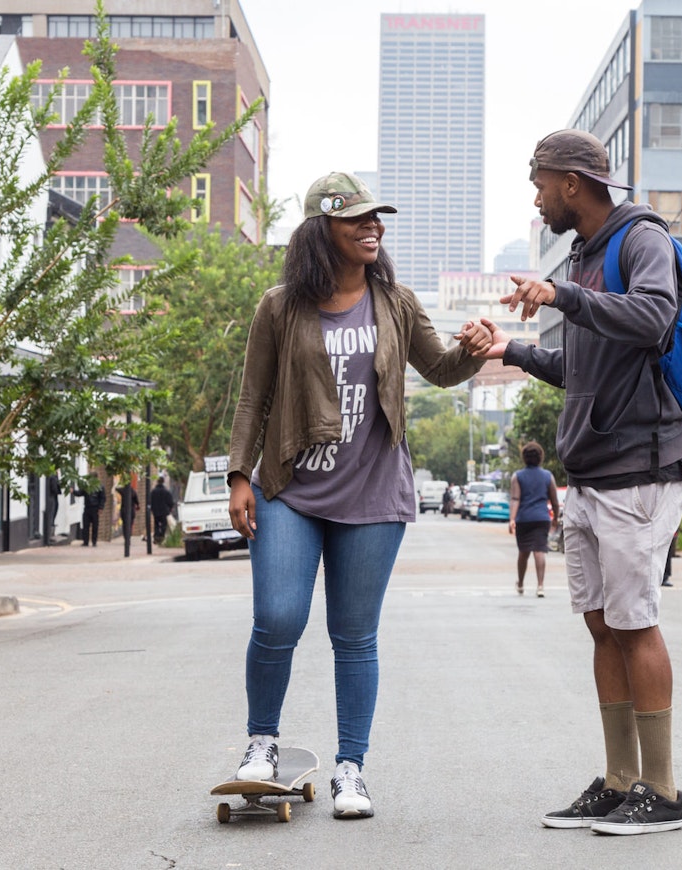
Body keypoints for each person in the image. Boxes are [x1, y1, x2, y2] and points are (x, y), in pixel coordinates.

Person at [226, 171, 490, 820]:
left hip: (373, 494)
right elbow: (254, 395)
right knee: (279, 618)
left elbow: (439, 368)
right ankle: (262, 743)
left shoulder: (394, 301)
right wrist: (239, 475)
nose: (373, 228)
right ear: (324, 230)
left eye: (377, 220)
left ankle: (352, 769)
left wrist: (476, 349)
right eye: (358, 220)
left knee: (354, 635)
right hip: (291, 487)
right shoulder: (280, 306)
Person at [473, 129, 682, 835]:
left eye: (539, 184)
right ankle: (619, 778)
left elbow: (656, 315)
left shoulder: (640, 238)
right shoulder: (584, 255)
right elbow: (580, 369)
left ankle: (662, 790)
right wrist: (509, 350)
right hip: (590, 473)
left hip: (639, 467)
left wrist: (564, 296)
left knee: (635, 622)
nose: (536, 199)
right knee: (602, 626)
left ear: (572, 181)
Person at [508, 441, 559, 597]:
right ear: (540, 457)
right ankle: (540, 586)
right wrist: (555, 518)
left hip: (523, 518)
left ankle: (521, 584)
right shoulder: (548, 476)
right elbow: (554, 500)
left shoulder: (517, 476)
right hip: (542, 518)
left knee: (523, 552)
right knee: (539, 550)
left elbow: (515, 499)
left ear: (524, 457)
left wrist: (512, 519)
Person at [149, 476, 176, 543]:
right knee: (164, 525)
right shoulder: (166, 491)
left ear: (157, 482)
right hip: (164, 511)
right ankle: (161, 536)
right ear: (163, 482)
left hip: (156, 511)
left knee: (156, 524)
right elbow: (170, 502)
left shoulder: (153, 492)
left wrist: (152, 509)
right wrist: (169, 509)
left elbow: (150, 501)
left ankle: (157, 537)